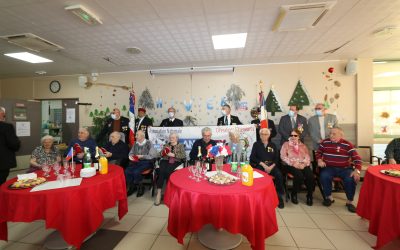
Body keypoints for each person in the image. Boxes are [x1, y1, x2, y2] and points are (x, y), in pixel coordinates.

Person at [315, 127, 361, 213]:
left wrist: (357, 171)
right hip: (329, 167)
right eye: (330, 134)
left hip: (345, 169)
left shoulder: (347, 144)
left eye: (334, 134)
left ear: (341, 135)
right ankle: (329, 197)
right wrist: (319, 160)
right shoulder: (325, 142)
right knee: (324, 176)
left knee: (350, 179)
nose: (331, 135)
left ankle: (349, 201)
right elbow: (318, 153)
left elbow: (357, 158)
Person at [250, 128, 285, 209]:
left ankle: (279, 198)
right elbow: (252, 157)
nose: (263, 136)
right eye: (262, 134)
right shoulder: (256, 144)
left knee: (279, 175)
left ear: (269, 135)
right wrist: (263, 165)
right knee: (259, 177)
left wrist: (271, 166)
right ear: (259, 135)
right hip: (261, 165)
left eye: (265, 134)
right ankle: (259, 197)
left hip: (272, 166)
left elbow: (276, 158)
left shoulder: (273, 145)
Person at [280, 129, 314, 206]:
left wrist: (304, 164)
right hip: (290, 165)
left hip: (302, 164)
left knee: (310, 176)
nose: (293, 137)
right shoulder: (286, 144)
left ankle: (309, 195)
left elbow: (307, 157)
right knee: (299, 176)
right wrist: (293, 163)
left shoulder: (303, 146)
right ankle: (294, 194)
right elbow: (283, 156)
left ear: (299, 136)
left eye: (295, 135)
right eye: (291, 135)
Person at [154, 133, 186, 206]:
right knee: (161, 172)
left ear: (177, 138)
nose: (171, 139)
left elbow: (184, 156)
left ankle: (169, 193)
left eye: (173, 138)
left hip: (175, 161)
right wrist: (163, 153)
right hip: (165, 160)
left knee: (168, 172)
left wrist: (174, 155)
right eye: (170, 137)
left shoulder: (181, 145)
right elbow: (158, 154)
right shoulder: (166, 145)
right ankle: (159, 193)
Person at [125, 130, 157, 197]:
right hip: (136, 162)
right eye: (136, 135)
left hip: (146, 162)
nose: (135, 136)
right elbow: (131, 153)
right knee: (127, 171)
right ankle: (132, 187)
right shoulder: (135, 143)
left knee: (136, 172)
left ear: (142, 136)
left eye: (137, 135)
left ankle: (140, 187)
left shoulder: (149, 143)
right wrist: (131, 156)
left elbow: (152, 156)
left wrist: (142, 156)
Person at [0, 107, 21, 185]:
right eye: (4, 115)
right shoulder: (6, 127)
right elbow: (13, 144)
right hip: (2, 162)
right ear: (1, 114)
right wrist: (18, 143)